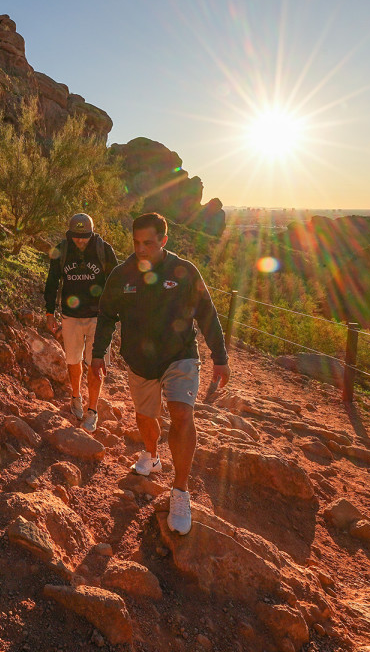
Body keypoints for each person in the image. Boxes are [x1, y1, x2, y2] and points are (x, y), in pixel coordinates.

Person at [89, 212, 230, 535]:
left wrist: (219, 357)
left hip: (179, 356)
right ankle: (151, 456)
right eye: (136, 243)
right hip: (139, 362)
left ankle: (180, 492)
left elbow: (207, 313)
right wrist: (99, 353)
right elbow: (107, 315)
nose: (141, 249)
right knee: (145, 418)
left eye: (148, 243)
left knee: (181, 413)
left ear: (164, 241)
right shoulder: (121, 275)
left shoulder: (184, 272)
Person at [44, 212, 118, 431]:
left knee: (95, 364)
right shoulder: (62, 249)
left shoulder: (103, 250)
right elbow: (52, 282)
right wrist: (50, 312)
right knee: (73, 360)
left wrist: (115, 313)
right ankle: (75, 396)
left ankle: (92, 410)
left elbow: (116, 282)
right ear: (70, 234)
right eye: (76, 236)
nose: (81, 240)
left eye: (84, 236)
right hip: (71, 316)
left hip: (99, 317)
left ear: (92, 233)